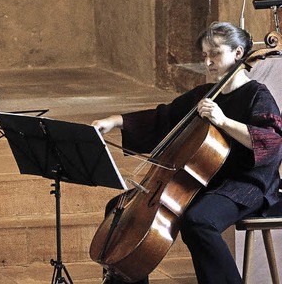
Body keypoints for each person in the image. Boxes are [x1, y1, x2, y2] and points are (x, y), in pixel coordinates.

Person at [91, 21, 282, 284]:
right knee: (120, 208)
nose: (208, 62)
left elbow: (272, 141)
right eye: (204, 55)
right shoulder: (206, 94)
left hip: (246, 183)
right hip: (205, 179)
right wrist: (115, 121)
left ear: (239, 53)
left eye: (215, 53)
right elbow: (165, 117)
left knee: (199, 220)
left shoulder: (256, 94)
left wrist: (224, 121)